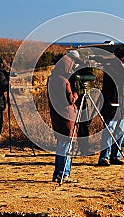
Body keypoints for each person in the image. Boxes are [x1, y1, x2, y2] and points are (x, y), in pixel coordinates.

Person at [98, 47, 124, 166]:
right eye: (123, 58)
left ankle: (115, 156)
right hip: (111, 105)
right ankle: (104, 157)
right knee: (109, 131)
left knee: (120, 131)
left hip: (122, 105)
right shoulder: (111, 69)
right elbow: (115, 82)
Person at [47, 54, 79, 183]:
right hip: (66, 116)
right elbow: (70, 100)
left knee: (61, 145)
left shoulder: (51, 79)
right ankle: (63, 174)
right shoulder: (63, 81)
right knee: (66, 146)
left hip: (56, 115)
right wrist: (76, 94)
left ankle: (59, 173)